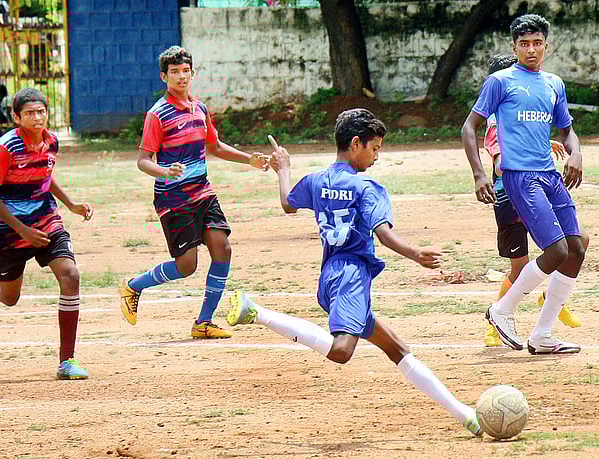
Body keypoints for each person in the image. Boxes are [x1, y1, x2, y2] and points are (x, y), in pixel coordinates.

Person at [227, 108, 483, 437]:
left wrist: (284, 169)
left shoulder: (317, 180)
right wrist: (416, 254)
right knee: (341, 351)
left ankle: (465, 415)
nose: (376, 157)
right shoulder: (367, 187)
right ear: (356, 143)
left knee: (396, 348)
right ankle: (257, 312)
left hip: (330, 275)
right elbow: (383, 234)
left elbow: (288, 204)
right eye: (374, 148)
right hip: (352, 275)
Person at [119, 46, 269, 339]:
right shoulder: (157, 115)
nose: (181, 76)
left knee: (222, 248)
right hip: (173, 198)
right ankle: (133, 286)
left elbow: (215, 146)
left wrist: (248, 159)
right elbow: (143, 160)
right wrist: (164, 171)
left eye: (185, 71)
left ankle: (204, 322)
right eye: (174, 72)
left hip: (202, 191)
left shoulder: (200, 109)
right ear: (164, 76)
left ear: (192, 73)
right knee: (187, 266)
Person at [462, 14, 585, 354]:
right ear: (514, 47)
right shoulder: (500, 82)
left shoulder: (554, 84)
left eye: (537, 43)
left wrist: (576, 153)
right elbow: (469, 127)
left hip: (550, 175)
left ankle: (542, 335)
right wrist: (479, 174)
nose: (531, 49)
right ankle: (501, 310)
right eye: (524, 44)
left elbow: (567, 130)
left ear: (546, 45)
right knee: (556, 251)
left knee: (576, 249)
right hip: (519, 176)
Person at [0, 87, 93, 380]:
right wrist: (23, 230)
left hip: (46, 221)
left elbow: (45, 176)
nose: (37, 118)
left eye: (41, 112)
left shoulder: (51, 142)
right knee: (10, 298)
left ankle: (66, 361)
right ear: (16, 117)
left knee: (70, 276)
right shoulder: (5, 148)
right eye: (30, 113)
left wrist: (70, 204)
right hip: (11, 232)